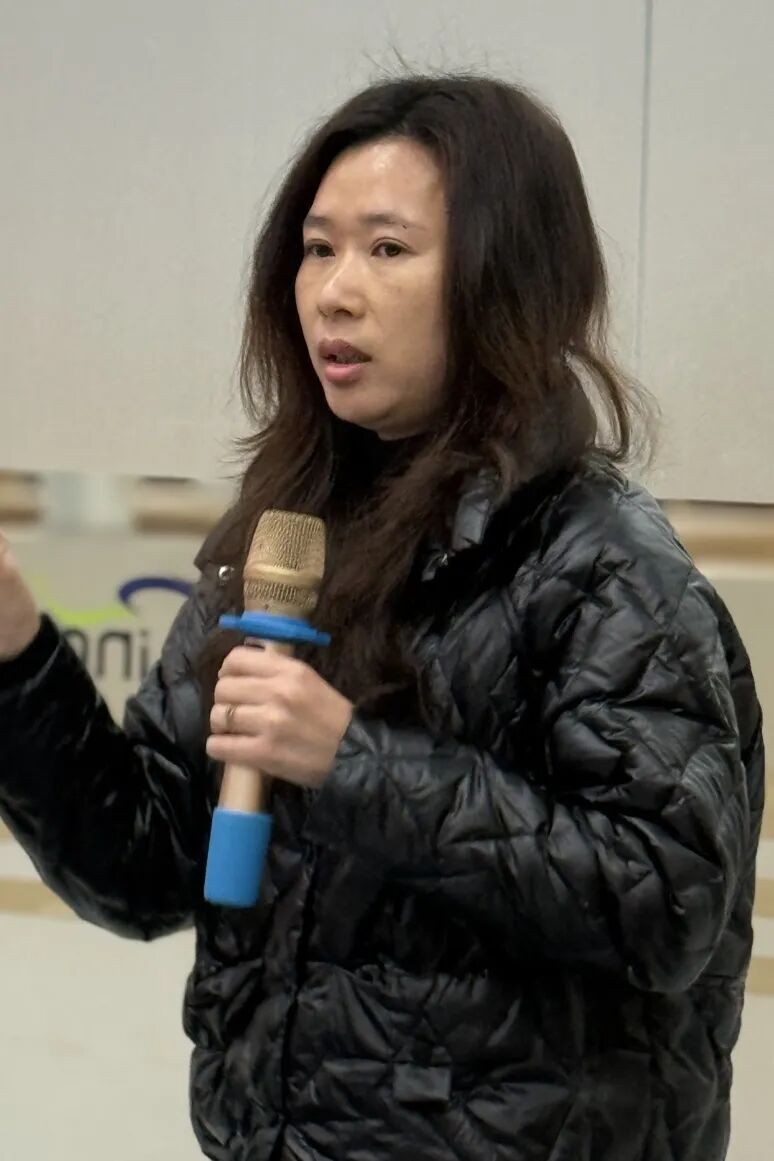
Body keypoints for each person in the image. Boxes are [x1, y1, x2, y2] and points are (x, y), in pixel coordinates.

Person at [0, 73, 764, 1161]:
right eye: (317, 249)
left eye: (388, 249)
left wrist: (352, 763)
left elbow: (667, 903)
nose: (334, 292)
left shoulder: (605, 565)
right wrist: (18, 653)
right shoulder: (282, 540)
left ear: (505, 279)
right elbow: (144, 865)